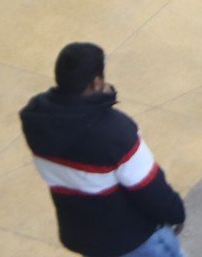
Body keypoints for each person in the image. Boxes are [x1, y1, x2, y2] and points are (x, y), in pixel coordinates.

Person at [20, 42, 187, 257]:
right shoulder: (114, 132)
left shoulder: (36, 122)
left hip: (84, 236)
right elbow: (149, 187)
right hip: (135, 240)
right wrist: (176, 213)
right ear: (96, 83)